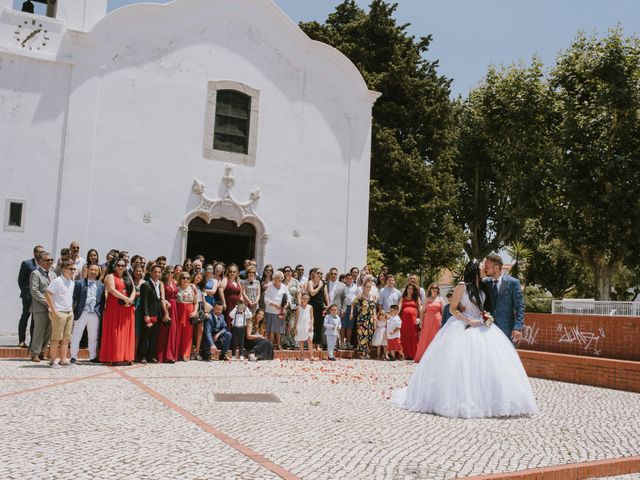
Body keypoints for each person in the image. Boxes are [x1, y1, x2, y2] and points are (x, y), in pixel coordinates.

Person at [391, 261, 537, 418]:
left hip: (482, 325)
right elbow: (452, 308)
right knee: (460, 363)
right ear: (474, 269)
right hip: (462, 325)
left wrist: (485, 316)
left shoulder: (483, 286)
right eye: (482, 267)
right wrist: (468, 320)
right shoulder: (462, 285)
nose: (484, 268)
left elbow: (483, 307)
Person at [100, 259, 136, 365]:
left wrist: (130, 300)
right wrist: (125, 298)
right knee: (115, 332)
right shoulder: (110, 276)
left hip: (127, 308)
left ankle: (126, 356)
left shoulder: (128, 277)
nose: (121, 267)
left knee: (126, 332)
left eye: (123, 265)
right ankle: (114, 356)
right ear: (115, 267)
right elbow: (112, 290)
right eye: (119, 265)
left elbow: (133, 289)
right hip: (114, 308)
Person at [483, 254, 525, 343]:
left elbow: (520, 307)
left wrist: (518, 328)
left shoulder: (513, 283)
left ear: (496, 268)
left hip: (507, 329)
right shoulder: (485, 283)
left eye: (487, 266)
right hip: (487, 328)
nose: (484, 269)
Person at [71, 263, 104, 363]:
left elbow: (101, 301)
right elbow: (73, 298)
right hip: (82, 313)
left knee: (93, 336)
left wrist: (99, 312)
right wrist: (72, 312)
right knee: (77, 335)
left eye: (96, 270)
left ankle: (93, 356)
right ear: (88, 270)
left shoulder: (101, 285)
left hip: (94, 314)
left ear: (99, 272)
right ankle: (73, 356)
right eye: (91, 270)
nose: (93, 272)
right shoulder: (79, 283)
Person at [45, 260, 76, 367]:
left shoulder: (72, 282)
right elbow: (48, 294)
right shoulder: (58, 281)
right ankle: (53, 361)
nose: (73, 271)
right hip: (59, 313)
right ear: (64, 269)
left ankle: (63, 360)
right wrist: (54, 311)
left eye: (74, 269)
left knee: (66, 338)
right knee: (56, 338)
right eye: (71, 269)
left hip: (68, 313)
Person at [29, 251, 56, 362]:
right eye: (47, 260)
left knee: (49, 331)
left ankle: (41, 352)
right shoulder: (35, 273)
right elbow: (34, 291)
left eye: (51, 260)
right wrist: (47, 302)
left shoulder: (53, 274)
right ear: (40, 261)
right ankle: (34, 353)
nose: (50, 262)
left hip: (51, 308)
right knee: (39, 331)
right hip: (40, 307)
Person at [17, 245, 44, 347]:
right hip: (28, 296)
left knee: (35, 320)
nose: (40, 253)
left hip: (39, 297)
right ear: (34, 253)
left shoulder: (43, 265)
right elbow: (20, 280)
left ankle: (34, 342)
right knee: (25, 317)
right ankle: (21, 340)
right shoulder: (27, 264)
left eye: (42, 251)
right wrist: (26, 292)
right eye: (38, 251)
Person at [138, 265, 164, 364]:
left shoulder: (159, 284)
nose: (157, 274)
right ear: (151, 273)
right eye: (155, 272)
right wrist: (146, 315)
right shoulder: (146, 285)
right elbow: (144, 302)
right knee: (145, 336)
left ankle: (151, 356)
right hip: (149, 315)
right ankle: (142, 356)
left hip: (157, 314)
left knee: (154, 337)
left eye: (159, 272)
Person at [414, 282, 444, 363]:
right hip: (427, 321)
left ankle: (436, 357)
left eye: (436, 288)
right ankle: (424, 357)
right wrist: (421, 321)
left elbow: (443, 312)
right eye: (433, 288)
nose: (434, 289)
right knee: (425, 338)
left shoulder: (440, 299)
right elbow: (422, 311)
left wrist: (443, 323)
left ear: (438, 290)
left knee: (435, 338)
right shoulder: (427, 299)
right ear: (430, 289)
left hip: (437, 321)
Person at [156, 266, 178, 363]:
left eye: (172, 272)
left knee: (173, 332)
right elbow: (162, 298)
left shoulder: (175, 282)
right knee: (165, 331)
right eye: (168, 272)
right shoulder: (162, 283)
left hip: (175, 308)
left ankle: (170, 355)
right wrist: (166, 312)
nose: (170, 274)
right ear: (165, 273)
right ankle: (162, 356)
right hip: (167, 307)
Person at [175, 271, 197, 362]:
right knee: (178, 333)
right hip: (179, 312)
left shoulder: (192, 288)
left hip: (189, 312)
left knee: (187, 335)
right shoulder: (176, 288)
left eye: (188, 278)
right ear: (180, 278)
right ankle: (177, 354)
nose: (186, 280)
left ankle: (185, 354)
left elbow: (196, 303)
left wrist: (195, 312)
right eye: (184, 278)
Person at [264, 270, 288, 350]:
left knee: (278, 329)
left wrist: (285, 306)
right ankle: (271, 344)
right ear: (274, 278)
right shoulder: (270, 286)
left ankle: (278, 344)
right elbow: (266, 298)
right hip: (270, 310)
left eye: (281, 278)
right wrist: (274, 304)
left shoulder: (284, 287)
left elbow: (288, 298)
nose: (280, 279)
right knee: (271, 329)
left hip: (280, 312)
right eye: (278, 277)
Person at [353, 280, 376, 359]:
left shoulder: (373, 297)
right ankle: (361, 353)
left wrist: (375, 317)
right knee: (362, 336)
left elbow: (374, 308)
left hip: (370, 319)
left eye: (370, 287)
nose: (368, 288)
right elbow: (353, 304)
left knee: (368, 336)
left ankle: (366, 352)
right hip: (362, 319)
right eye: (367, 287)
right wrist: (352, 313)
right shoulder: (360, 296)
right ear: (364, 287)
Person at [307, 268, 328, 350]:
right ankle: (311, 343)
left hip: (321, 306)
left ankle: (318, 344)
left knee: (319, 326)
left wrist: (328, 305)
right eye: (318, 273)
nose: (320, 274)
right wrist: (319, 286)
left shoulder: (323, 283)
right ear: (314, 273)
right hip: (312, 306)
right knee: (312, 325)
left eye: (321, 273)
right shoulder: (310, 282)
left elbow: (326, 295)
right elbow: (312, 293)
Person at [399, 283, 421, 360]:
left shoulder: (417, 298)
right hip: (404, 320)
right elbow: (399, 308)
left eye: (412, 289)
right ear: (406, 289)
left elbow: (420, 309)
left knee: (413, 336)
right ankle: (404, 354)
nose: (410, 290)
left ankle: (413, 354)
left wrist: (420, 319)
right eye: (409, 288)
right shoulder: (402, 298)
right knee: (404, 335)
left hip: (413, 320)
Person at [281, 266, 301, 349]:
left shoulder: (296, 282)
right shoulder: (281, 282)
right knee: (284, 324)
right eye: (285, 271)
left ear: (291, 272)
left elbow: (298, 294)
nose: (287, 272)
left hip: (293, 306)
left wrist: (299, 305)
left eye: (289, 271)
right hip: (284, 306)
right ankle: (284, 342)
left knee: (292, 325)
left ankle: (292, 343)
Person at [218, 264, 242, 330]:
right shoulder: (226, 279)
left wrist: (241, 306)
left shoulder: (238, 281)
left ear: (236, 273)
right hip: (228, 304)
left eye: (234, 272)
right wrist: (224, 303)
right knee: (228, 320)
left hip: (236, 305)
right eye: (230, 271)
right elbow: (220, 290)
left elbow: (240, 294)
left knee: (235, 321)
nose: (232, 273)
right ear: (228, 272)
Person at [294, 292, 315, 360]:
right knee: (301, 341)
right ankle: (302, 356)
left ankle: (311, 356)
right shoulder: (298, 307)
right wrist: (295, 328)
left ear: (308, 299)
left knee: (310, 340)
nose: (305, 300)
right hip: (300, 326)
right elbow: (296, 318)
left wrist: (311, 326)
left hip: (308, 326)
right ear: (301, 299)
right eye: (303, 298)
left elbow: (312, 317)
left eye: (306, 298)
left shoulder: (310, 307)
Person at [341, 273, 358, 349]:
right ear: (345, 279)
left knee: (349, 327)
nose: (349, 280)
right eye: (347, 279)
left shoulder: (355, 287)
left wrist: (352, 310)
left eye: (350, 279)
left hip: (352, 308)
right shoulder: (342, 287)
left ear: (352, 279)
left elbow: (356, 298)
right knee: (343, 326)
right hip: (344, 308)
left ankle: (348, 342)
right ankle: (342, 343)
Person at [192, 271, 206, 360]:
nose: (199, 279)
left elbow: (203, 299)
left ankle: (197, 351)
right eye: (197, 277)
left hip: (201, 307)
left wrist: (205, 310)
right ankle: (191, 351)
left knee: (200, 329)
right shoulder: (190, 285)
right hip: (193, 306)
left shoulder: (200, 288)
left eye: (200, 279)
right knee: (192, 330)